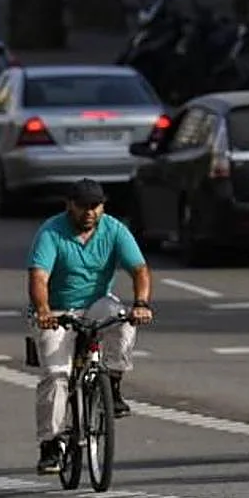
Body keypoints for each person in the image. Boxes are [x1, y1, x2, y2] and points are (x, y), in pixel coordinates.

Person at [27, 179, 153, 474]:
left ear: (103, 206)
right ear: (69, 205)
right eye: (83, 206)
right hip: (56, 311)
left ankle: (113, 382)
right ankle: (50, 444)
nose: (89, 212)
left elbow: (139, 269)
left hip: (96, 303)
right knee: (56, 375)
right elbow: (39, 277)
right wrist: (44, 311)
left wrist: (141, 304)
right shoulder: (51, 232)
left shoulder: (114, 229)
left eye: (95, 206)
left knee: (122, 319)